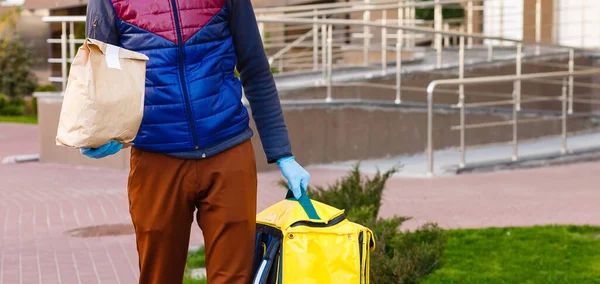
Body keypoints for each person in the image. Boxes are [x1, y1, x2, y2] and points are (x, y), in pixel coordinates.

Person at [82, 1, 310, 283]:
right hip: (156, 159)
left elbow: (255, 69)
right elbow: (99, 72)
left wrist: (282, 153)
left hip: (228, 151)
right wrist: (96, 130)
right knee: (159, 276)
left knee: (234, 277)